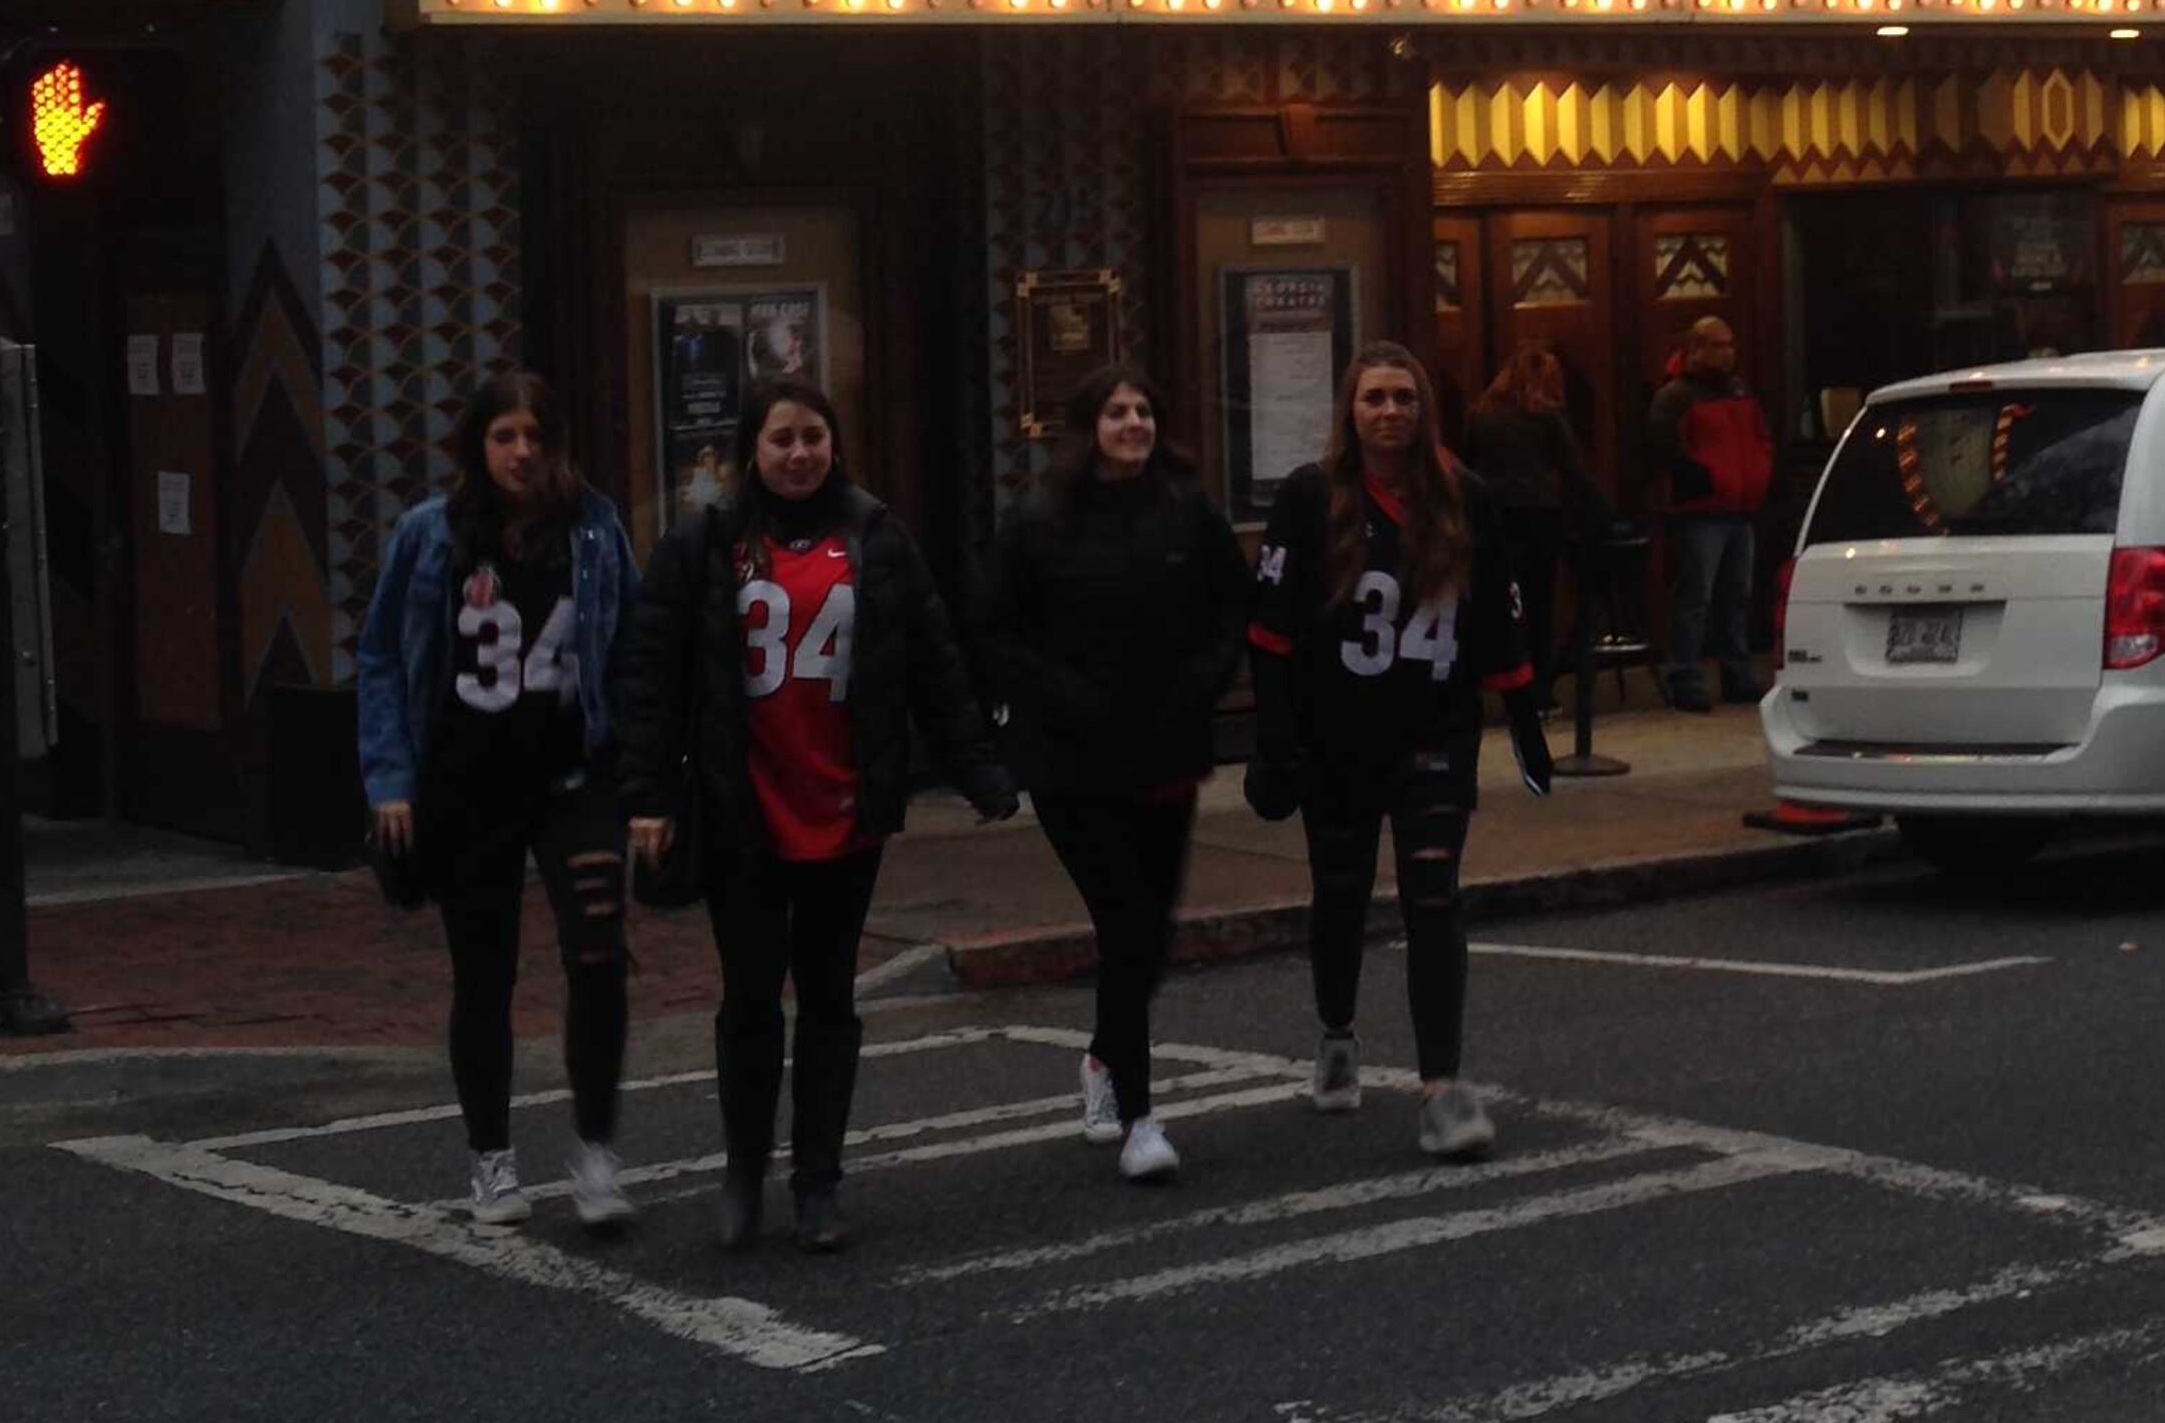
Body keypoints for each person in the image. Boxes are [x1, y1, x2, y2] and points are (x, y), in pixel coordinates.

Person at [617, 374, 1015, 1254]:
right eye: (781, 439)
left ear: (834, 444)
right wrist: (645, 794)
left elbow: (934, 658)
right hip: (742, 808)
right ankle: (743, 1169)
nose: (799, 454)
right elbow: (651, 671)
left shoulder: (876, 537)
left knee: (829, 999)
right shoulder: (707, 542)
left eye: (813, 437)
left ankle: (819, 1181)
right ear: (751, 450)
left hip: (846, 807)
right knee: (751, 998)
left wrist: (979, 768)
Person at [1242, 342, 1554, 1160]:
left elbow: (1495, 613)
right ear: (1350, 409)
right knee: (1340, 894)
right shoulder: (1311, 499)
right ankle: (1337, 1031)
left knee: (1434, 896)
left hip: (1434, 728)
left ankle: (1442, 1087)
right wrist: (1272, 738)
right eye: (1375, 397)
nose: (1390, 412)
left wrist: (1523, 714)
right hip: (1337, 733)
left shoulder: (1464, 497)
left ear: (1424, 410)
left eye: (1404, 397)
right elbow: (1270, 629)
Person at [357, 370, 644, 1234]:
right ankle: (491, 1161)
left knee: (598, 955)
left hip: (573, 780)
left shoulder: (594, 530)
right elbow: (379, 657)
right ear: (477, 447)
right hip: (466, 785)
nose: (522, 453)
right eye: (504, 436)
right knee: (484, 972)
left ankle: (596, 1150)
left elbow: (630, 648)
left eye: (537, 437)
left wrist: (644, 776)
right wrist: (391, 780)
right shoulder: (431, 536)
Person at [974, 366, 1250, 1187]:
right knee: (1125, 921)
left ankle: (1102, 1057)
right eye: (1117, 411)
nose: (1133, 422)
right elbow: (997, 631)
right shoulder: (1039, 520)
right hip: (1073, 760)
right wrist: (1061, 697)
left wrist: (1202, 684)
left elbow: (1228, 608)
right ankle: (1139, 1115)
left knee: (1151, 930)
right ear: (1086, 424)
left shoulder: (1187, 509)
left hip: (1165, 749)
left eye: (1143, 409)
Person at [1463, 345, 1608, 716]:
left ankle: (1488, 684)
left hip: (1493, 520)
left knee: (1496, 604)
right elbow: (1572, 467)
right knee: (1539, 606)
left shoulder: (1482, 415)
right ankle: (1537, 692)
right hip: (1539, 518)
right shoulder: (1546, 418)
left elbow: (1467, 467)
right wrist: (1601, 510)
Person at [1646, 315, 1775, 712]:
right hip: (1702, 509)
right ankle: (1685, 675)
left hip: (1739, 506)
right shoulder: (1676, 396)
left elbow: (1759, 437)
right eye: (1718, 345)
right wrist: (1701, 480)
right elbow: (1662, 448)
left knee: (1736, 596)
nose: (1727, 352)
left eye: (1730, 344)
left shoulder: (1738, 390)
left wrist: (1760, 472)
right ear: (1696, 348)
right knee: (1696, 596)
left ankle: (1736, 672)